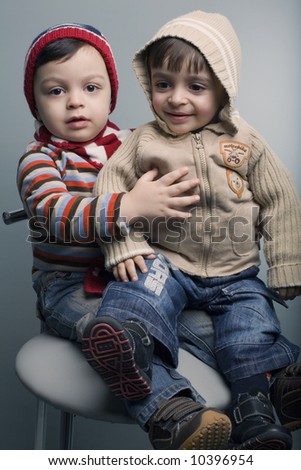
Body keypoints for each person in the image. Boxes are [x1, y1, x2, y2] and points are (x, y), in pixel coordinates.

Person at [17, 22, 234, 450]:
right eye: (56, 91)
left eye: (91, 88)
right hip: (70, 287)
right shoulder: (40, 158)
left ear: (111, 94)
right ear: (36, 103)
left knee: (214, 323)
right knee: (114, 334)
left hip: (141, 278)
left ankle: (271, 382)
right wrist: (129, 206)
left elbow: (181, 185)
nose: (76, 101)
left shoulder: (134, 142)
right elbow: (53, 213)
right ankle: (171, 412)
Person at [90, 11, 301, 450]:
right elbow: (109, 184)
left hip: (237, 275)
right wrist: (124, 243)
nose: (176, 99)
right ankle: (126, 341)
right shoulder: (145, 140)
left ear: (223, 88)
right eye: (163, 84)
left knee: (249, 330)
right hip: (169, 261)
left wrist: (286, 263)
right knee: (136, 288)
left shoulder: (245, 140)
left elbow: (280, 198)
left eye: (196, 87)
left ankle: (255, 418)